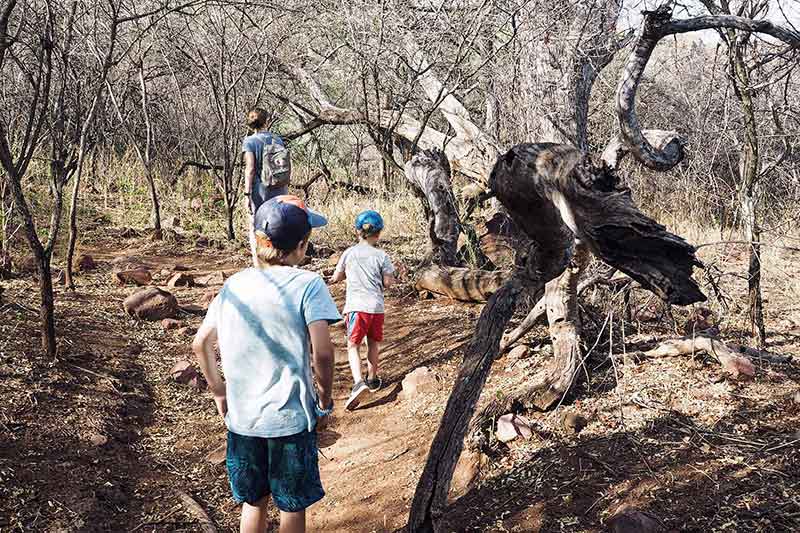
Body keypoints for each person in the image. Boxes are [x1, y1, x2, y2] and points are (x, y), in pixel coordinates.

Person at [193, 195, 340, 533]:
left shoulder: (233, 285)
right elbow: (323, 353)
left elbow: (201, 343)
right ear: (301, 246)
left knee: (254, 501)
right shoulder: (308, 284)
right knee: (291, 506)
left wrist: (220, 393)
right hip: (290, 422)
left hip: (243, 421)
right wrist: (325, 400)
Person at [331, 210, 399, 410]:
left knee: (353, 345)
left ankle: (358, 382)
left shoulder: (349, 253)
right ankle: (372, 379)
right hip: (376, 308)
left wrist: (342, 275)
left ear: (357, 231)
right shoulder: (382, 256)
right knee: (373, 343)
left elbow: (337, 277)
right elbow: (388, 283)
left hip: (356, 307)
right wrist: (392, 276)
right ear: (378, 233)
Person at [242, 108, 291, 264]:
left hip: (260, 190)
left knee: (256, 226)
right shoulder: (277, 139)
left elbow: (250, 169)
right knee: (277, 224)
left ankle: (259, 264)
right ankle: (278, 261)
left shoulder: (250, 141)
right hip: (280, 188)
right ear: (266, 121)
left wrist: (246, 194)